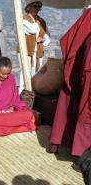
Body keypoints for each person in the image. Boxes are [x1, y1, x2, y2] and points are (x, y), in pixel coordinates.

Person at [50, 9, 91, 159]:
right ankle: (82, 154)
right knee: (85, 111)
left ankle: (57, 143)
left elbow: (70, 39)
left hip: (77, 66)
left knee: (69, 106)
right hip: (85, 70)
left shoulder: (87, 16)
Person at [23, 1, 50, 76]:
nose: (37, 8)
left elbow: (47, 36)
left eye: (39, 6)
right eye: (35, 6)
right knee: (25, 73)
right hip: (26, 51)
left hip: (38, 51)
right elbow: (32, 30)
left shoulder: (42, 21)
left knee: (37, 73)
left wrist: (42, 39)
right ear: (29, 7)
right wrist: (36, 23)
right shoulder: (24, 19)